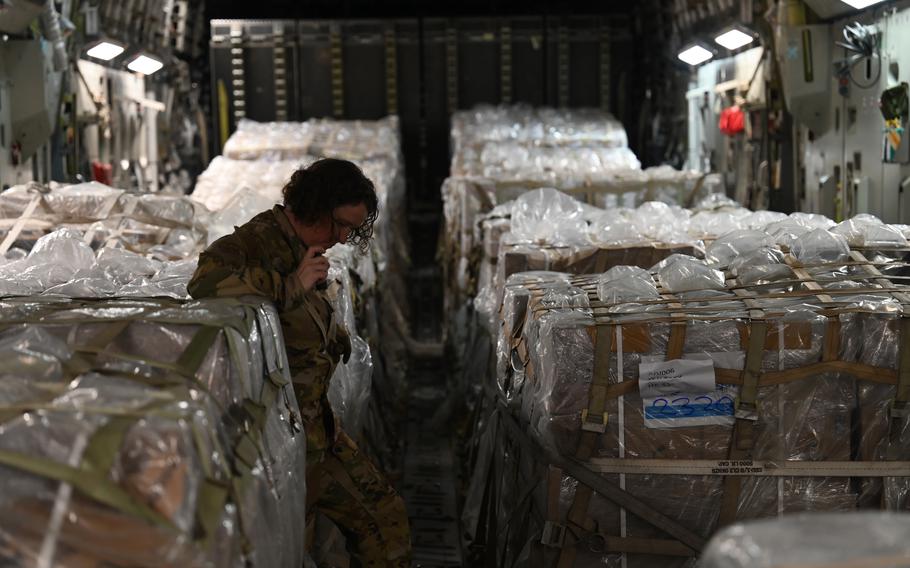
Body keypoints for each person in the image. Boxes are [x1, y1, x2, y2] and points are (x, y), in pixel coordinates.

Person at [188, 158, 412, 567]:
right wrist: (290, 285)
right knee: (294, 546)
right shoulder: (260, 241)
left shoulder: (307, 250)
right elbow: (204, 281)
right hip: (280, 443)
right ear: (314, 206)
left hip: (316, 432)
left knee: (384, 519)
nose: (343, 238)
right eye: (340, 225)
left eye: (351, 229)